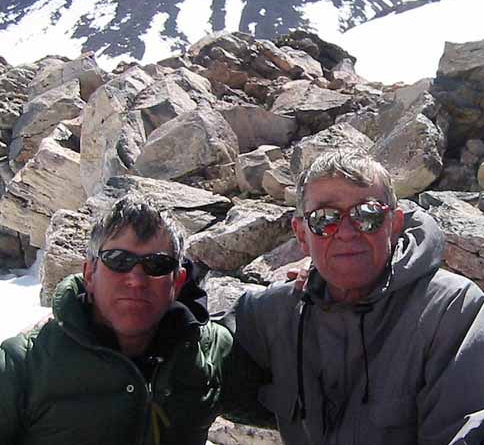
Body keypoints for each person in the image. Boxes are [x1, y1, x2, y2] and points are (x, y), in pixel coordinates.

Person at [230, 147, 484, 445]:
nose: (347, 232)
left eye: (368, 215)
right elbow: (200, 354)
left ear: (394, 225)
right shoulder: (273, 313)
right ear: (301, 235)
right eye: (325, 219)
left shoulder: (451, 311)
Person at [0, 195, 264, 445]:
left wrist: (302, 294)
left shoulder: (209, 353)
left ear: (178, 282)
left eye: (157, 265)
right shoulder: (22, 366)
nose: (136, 280)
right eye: (118, 260)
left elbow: (293, 399)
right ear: (90, 273)